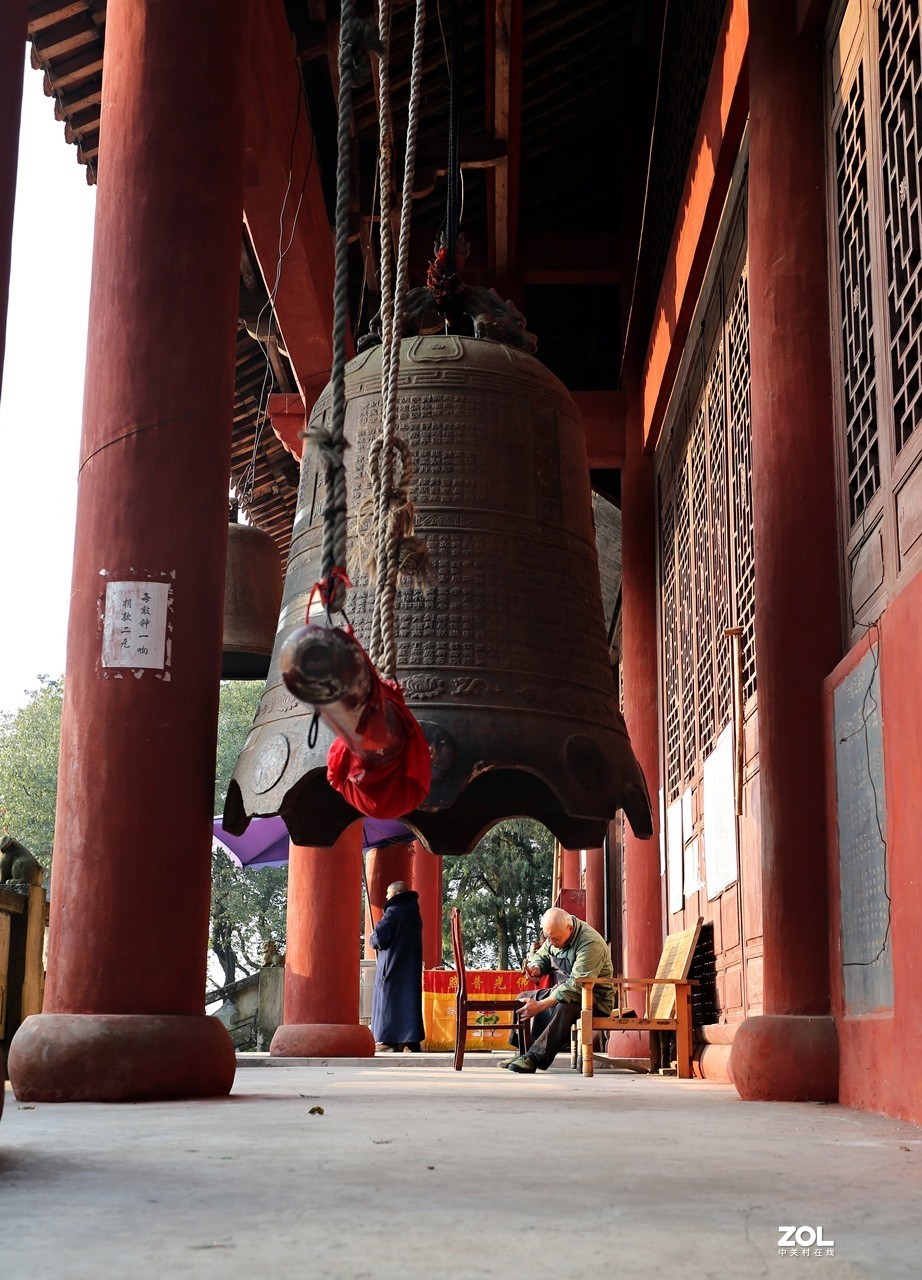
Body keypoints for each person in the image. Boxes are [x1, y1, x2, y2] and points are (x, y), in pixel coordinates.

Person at [504, 906, 614, 1074]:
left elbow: (576, 986)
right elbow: (542, 955)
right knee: (524, 997)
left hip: (593, 999)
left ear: (569, 928)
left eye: (554, 938)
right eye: (548, 937)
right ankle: (523, 1052)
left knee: (563, 1008)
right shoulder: (554, 935)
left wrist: (540, 1005)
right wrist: (536, 968)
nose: (551, 942)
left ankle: (534, 1057)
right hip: (564, 991)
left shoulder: (590, 943)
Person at [369, 880, 425, 1053]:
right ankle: (410, 1042)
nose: (387, 897)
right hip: (410, 967)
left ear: (397, 894)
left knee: (389, 1001)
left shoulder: (393, 912)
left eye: (388, 893)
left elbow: (379, 938)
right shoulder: (415, 914)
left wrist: (372, 937)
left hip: (391, 966)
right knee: (409, 1000)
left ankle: (389, 1040)